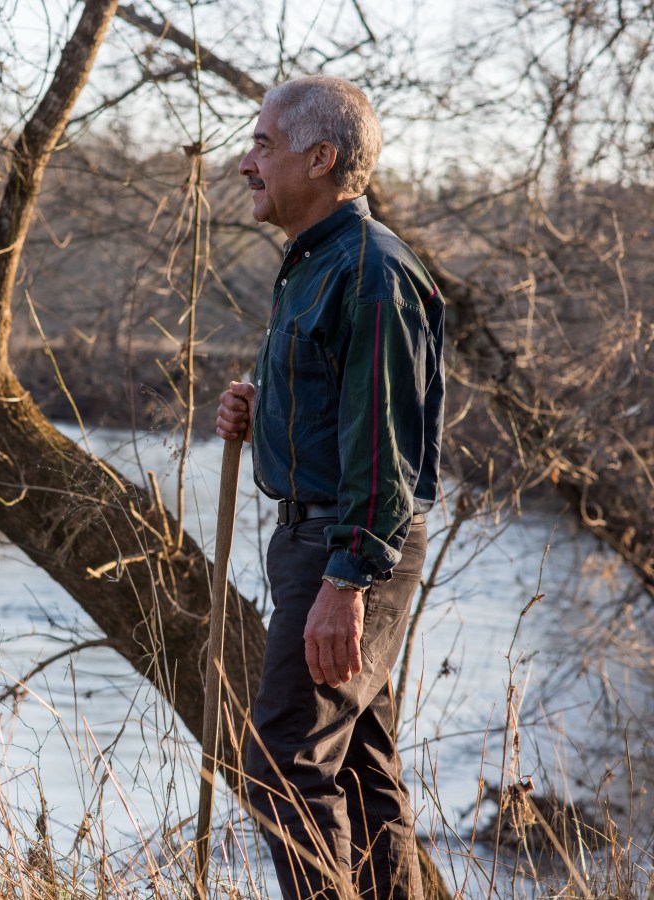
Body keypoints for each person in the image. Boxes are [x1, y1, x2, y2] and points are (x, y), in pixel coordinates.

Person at [215, 75, 444, 899]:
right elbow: (337, 406)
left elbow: (386, 447)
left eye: (263, 145)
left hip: (348, 549)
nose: (245, 163)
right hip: (317, 540)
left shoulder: (373, 273)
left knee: (283, 759)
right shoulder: (314, 265)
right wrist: (258, 406)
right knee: (357, 768)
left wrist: (347, 581)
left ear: (321, 157)